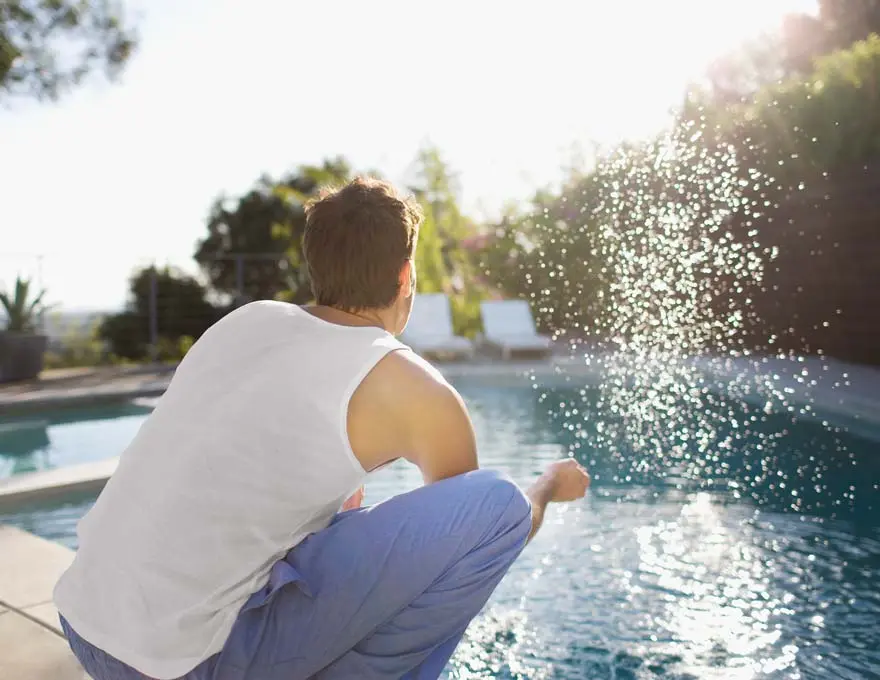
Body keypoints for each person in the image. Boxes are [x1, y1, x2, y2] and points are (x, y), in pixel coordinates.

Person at [53, 177, 591, 680]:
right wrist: (546, 487)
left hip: (84, 624)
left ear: (316, 266)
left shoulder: (245, 321)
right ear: (405, 276)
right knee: (501, 505)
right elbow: (477, 540)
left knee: (341, 517)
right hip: (179, 666)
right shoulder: (413, 388)